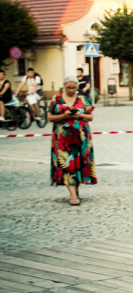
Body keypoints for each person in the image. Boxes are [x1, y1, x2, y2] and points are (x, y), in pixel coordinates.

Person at [49, 75, 97, 205]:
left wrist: (80, 115)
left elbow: (90, 117)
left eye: (74, 88)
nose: (71, 90)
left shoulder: (83, 99)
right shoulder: (56, 99)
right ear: (64, 86)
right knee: (67, 164)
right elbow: (50, 117)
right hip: (63, 138)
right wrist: (63, 116)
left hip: (81, 136)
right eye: (68, 87)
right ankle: (72, 195)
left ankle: (76, 190)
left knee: (79, 163)